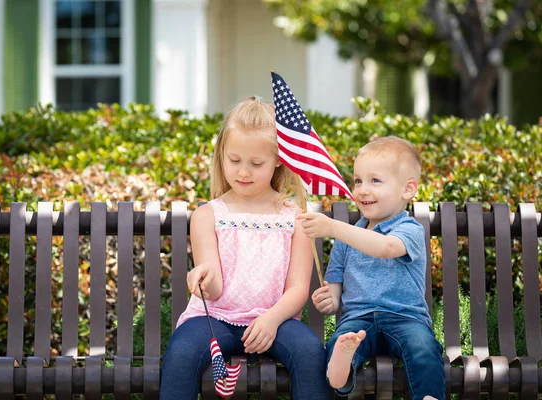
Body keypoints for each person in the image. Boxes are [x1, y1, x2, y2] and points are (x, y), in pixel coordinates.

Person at [159, 96, 331, 399]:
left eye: (256, 163)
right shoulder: (208, 215)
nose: (243, 172)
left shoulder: (295, 218)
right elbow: (213, 289)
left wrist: (271, 319)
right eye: (234, 160)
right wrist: (202, 278)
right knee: (182, 351)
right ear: (221, 156)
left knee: (309, 352)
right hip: (215, 318)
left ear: (279, 159)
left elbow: (297, 289)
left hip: (275, 320)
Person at [297, 136, 445, 400]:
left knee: (423, 348)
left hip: (405, 318)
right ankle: (340, 375)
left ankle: (428, 397)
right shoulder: (347, 237)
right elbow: (334, 286)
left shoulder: (409, 229)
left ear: (408, 189)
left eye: (375, 181)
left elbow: (386, 247)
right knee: (341, 341)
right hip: (358, 318)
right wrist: (328, 300)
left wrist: (333, 228)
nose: (363, 189)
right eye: (358, 180)